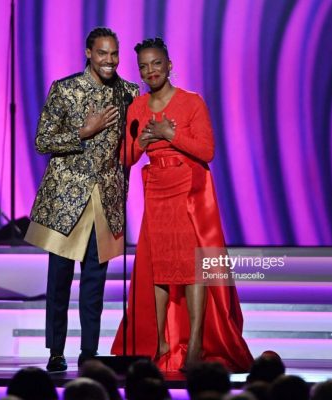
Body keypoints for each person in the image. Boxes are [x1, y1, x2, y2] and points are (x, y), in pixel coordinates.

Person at [111, 37, 253, 372]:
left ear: (169, 65)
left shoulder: (191, 103)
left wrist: (170, 134)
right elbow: (126, 158)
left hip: (188, 191)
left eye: (156, 63)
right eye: (144, 66)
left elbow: (207, 152)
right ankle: (161, 342)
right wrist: (143, 140)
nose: (151, 71)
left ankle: (196, 347)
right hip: (156, 189)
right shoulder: (137, 107)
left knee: (192, 269)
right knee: (159, 267)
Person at [24, 26, 139, 372]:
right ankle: (56, 351)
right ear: (89, 53)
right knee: (59, 280)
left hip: (105, 199)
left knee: (95, 283)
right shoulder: (65, 89)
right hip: (65, 198)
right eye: (103, 53)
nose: (109, 60)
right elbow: (43, 141)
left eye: (114, 54)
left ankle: (89, 352)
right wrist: (83, 132)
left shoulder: (129, 93)